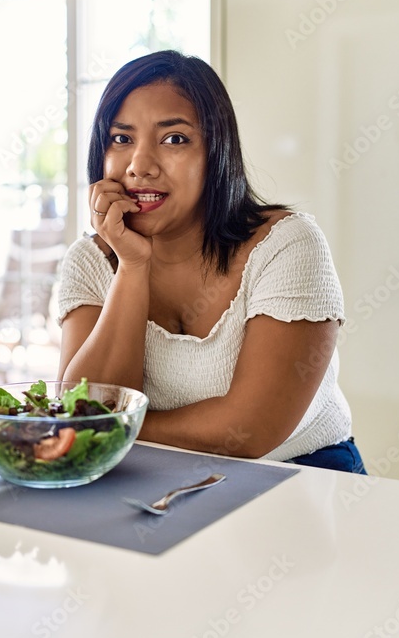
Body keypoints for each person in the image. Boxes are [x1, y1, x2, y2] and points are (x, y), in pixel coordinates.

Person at [56, 50, 365, 474]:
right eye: (121, 138)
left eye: (174, 139)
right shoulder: (91, 261)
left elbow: (251, 432)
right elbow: (83, 406)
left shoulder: (287, 245)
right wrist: (132, 267)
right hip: (155, 478)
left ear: (216, 152)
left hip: (303, 474)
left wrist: (113, 427)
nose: (139, 166)